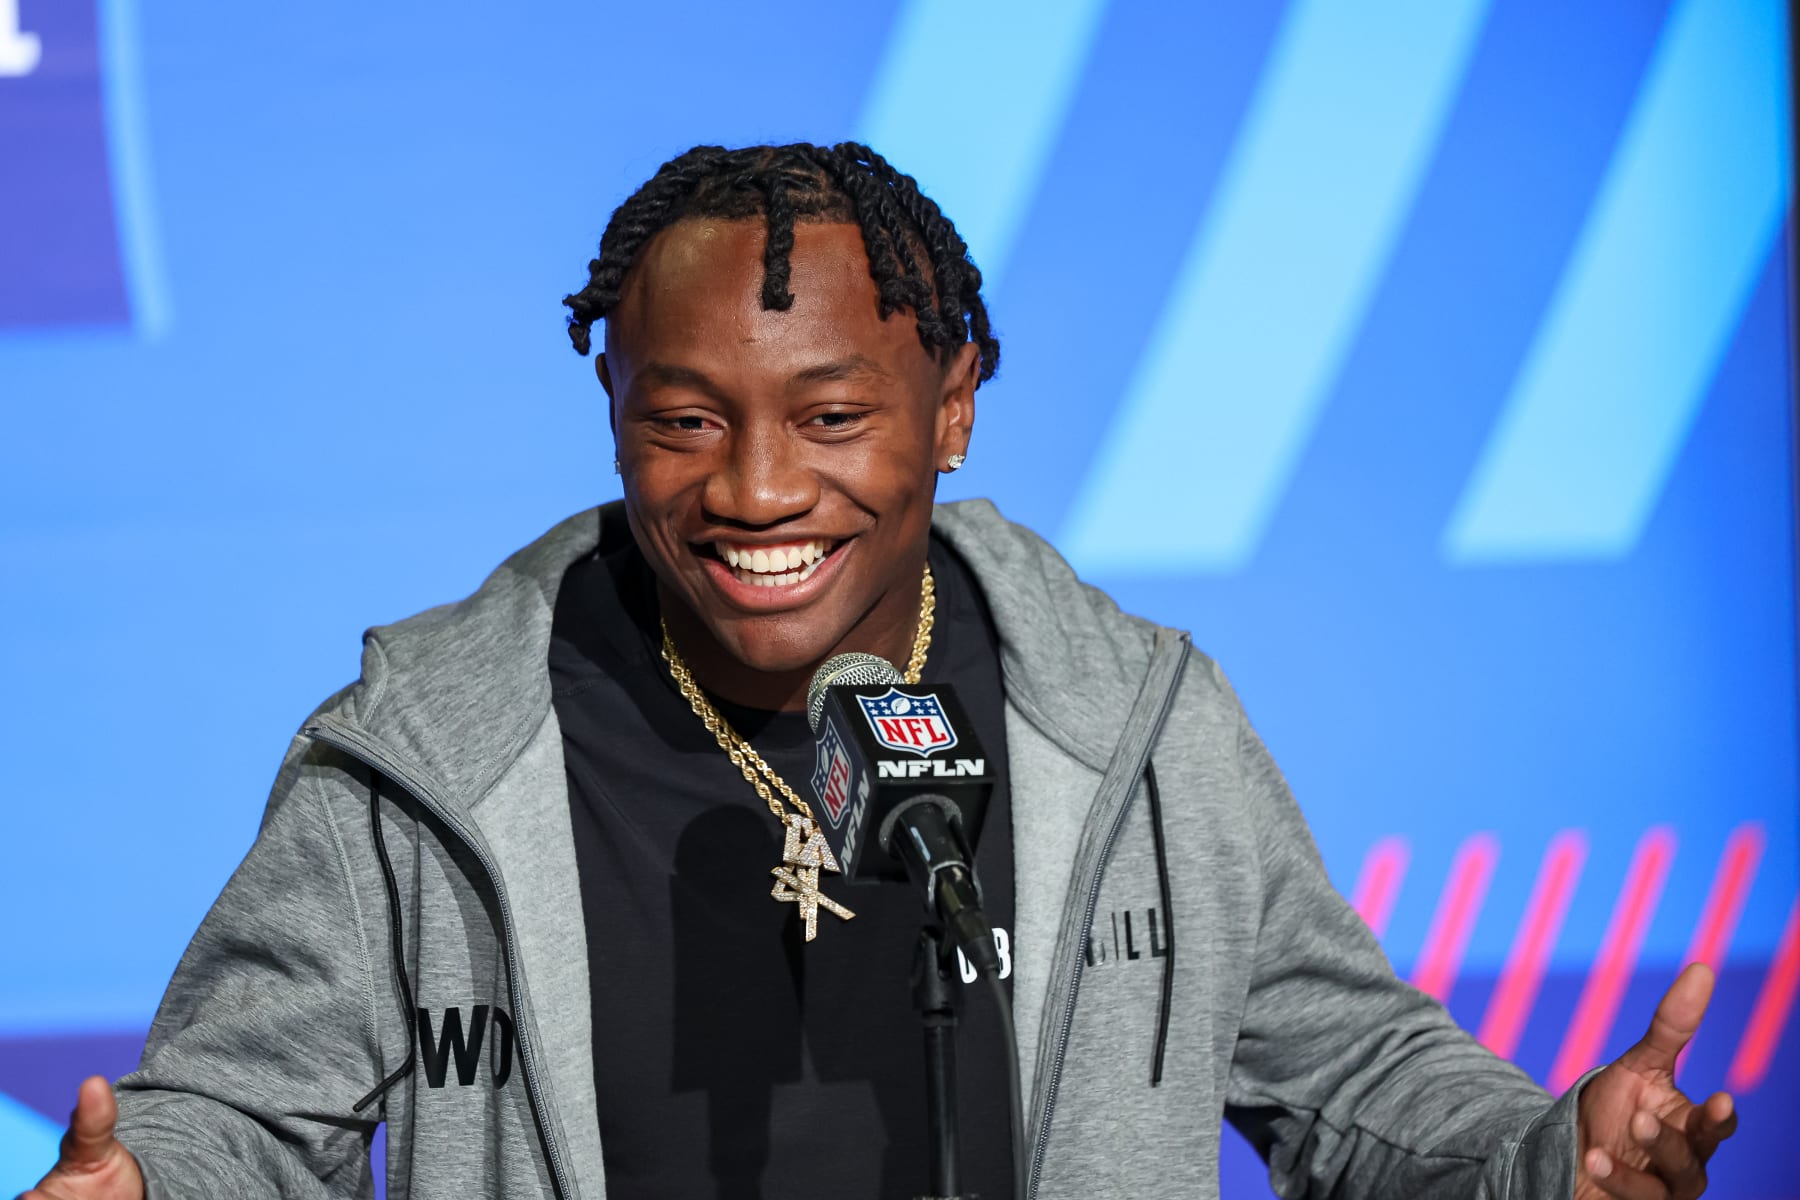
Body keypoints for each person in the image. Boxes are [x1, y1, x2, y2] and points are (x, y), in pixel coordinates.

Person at [29, 142, 1738, 1200]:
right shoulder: (420, 759)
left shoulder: (1131, 724)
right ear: (613, 409)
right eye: (681, 420)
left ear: (957, 403)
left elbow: (1348, 1081)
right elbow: (248, 1120)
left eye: (835, 416)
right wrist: (153, 1185)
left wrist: (1542, 1159)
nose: (759, 488)